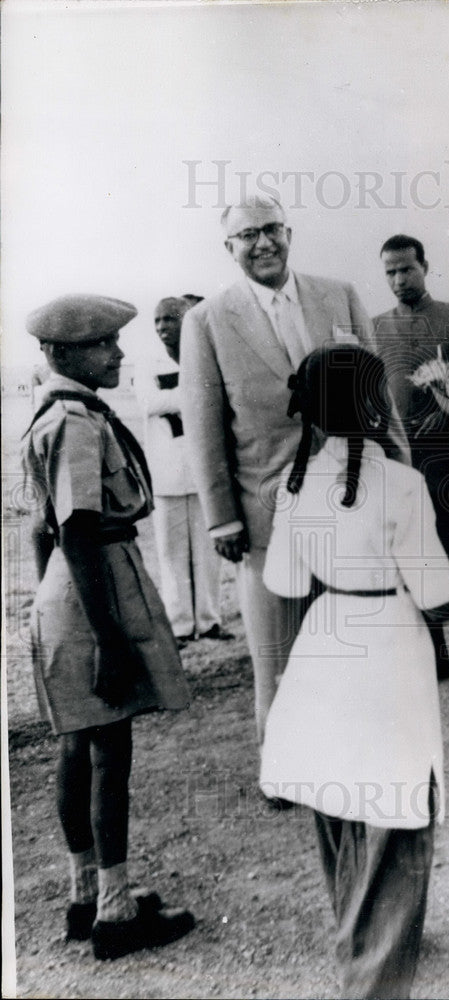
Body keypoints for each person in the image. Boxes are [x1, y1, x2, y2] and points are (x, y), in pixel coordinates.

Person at [259, 344, 449, 999]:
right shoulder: (400, 481)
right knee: (397, 806)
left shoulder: (292, 484)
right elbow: (434, 591)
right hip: (386, 643)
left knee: (337, 798)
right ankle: (374, 975)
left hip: (324, 642)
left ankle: (359, 932)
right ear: (376, 406)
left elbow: (284, 580)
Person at [180, 195, 409, 751]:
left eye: (272, 230)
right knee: (278, 652)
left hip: (349, 503)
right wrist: (221, 521)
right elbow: (204, 427)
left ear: (289, 232)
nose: (263, 243)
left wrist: (401, 478)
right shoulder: (206, 321)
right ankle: (286, 761)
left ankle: (353, 752)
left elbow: (375, 396)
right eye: (248, 235)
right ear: (229, 247)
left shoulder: (339, 295)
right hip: (267, 516)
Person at [22, 294, 195, 961]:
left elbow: (44, 530)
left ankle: (84, 893)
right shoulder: (73, 421)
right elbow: (78, 530)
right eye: (104, 345)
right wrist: (111, 639)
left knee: (77, 745)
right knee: (107, 752)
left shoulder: (55, 411)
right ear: (64, 354)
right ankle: (116, 912)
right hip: (92, 593)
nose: (118, 354)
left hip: (65, 590)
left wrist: (51, 604)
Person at [373, 234, 449, 681]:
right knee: (414, 557)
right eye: (390, 271)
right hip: (402, 463)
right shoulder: (376, 327)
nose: (399, 279)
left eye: (407, 268)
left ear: (425, 266)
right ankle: (434, 657)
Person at [136, 296, 231, 645]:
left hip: (204, 470)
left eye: (170, 320)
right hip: (166, 473)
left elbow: (218, 401)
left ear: (187, 319)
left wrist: (192, 396)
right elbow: (149, 403)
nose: (162, 327)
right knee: (170, 554)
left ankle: (209, 621)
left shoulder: (204, 355)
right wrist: (194, 394)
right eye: (158, 320)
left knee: (208, 554)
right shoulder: (148, 363)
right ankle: (178, 625)